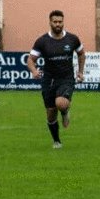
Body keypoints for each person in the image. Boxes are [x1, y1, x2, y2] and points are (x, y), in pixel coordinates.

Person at [27, 10, 85, 149]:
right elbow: (30, 59)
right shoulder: (42, 41)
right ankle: (57, 141)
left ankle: (65, 111)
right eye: (55, 22)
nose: (58, 24)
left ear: (63, 22)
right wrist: (34, 71)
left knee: (61, 103)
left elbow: (81, 54)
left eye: (60, 22)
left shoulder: (72, 39)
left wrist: (80, 72)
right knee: (51, 114)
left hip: (66, 78)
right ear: (50, 22)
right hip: (49, 80)